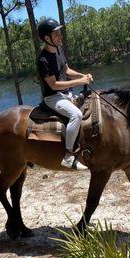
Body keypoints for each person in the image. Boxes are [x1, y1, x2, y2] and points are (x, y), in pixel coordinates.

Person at [37, 18, 93, 170]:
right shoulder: (43, 59)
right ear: (47, 38)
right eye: (56, 35)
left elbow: (66, 71)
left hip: (66, 94)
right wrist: (79, 82)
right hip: (53, 98)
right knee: (76, 115)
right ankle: (68, 156)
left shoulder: (59, 50)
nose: (60, 37)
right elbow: (54, 85)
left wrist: (83, 76)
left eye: (59, 33)